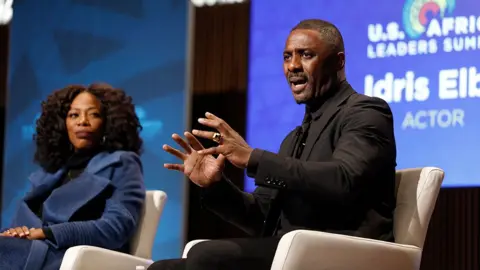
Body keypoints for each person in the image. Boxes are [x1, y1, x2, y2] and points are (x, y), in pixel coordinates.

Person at [150, 19, 397, 270]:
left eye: (306, 55)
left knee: (205, 256)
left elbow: (344, 179)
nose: (293, 66)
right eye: (287, 57)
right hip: (292, 251)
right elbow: (262, 218)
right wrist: (215, 185)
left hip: (342, 250)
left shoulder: (365, 112)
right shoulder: (293, 138)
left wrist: (253, 158)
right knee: (160, 268)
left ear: (338, 62)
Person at [0, 83, 145, 270]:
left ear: (108, 123)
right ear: (62, 124)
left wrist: (48, 233)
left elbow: (116, 227)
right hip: (31, 249)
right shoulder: (52, 172)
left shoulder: (122, 163)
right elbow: (23, 221)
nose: (82, 121)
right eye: (74, 115)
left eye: (94, 114)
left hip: (73, 254)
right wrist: (19, 231)